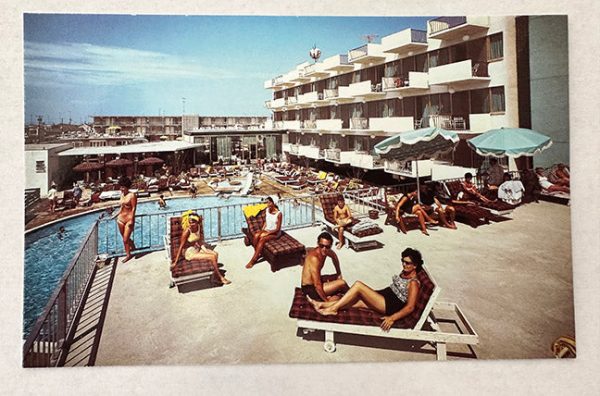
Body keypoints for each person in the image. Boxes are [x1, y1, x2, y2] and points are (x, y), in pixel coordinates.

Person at [307, 248, 423, 332]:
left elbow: (410, 307)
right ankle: (321, 304)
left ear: (415, 265)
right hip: (385, 296)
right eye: (403, 261)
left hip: (389, 305)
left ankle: (333, 309)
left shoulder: (413, 283)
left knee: (358, 285)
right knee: (354, 301)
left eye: (408, 263)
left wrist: (392, 318)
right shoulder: (405, 273)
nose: (404, 264)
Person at [172, 211, 230, 285]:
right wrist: (175, 262)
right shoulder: (187, 231)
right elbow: (181, 247)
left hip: (197, 249)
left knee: (215, 254)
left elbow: (199, 242)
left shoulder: (198, 228)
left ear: (197, 222)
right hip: (189, 253)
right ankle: (220, 277)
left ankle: (213, 277)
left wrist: (205, 250)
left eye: (193, 222)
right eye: (189, 222)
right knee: (212, 257)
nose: (190, 224)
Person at [301, 232, 348, 302]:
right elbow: (317, 285)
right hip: (310, 289)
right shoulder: (314, 259)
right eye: (321, 245)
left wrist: (339, 273)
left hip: (316, 282)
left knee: (336, 277)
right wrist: (326, 301)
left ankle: (348, 295)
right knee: (342, 283)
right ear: (318, 244)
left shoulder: (326, 251)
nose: (324, 249)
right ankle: (351, 296)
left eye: (327, 247)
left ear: (330, 246)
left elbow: (334, 256)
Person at [245, 195, 282, 269]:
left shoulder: (279, 214)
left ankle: (253, 260)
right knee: (256, 235)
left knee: (262, 239)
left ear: (273, 203)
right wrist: (262, 230)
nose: (267, 203)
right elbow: (266, 221)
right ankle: (257, 253)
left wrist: (267, 233)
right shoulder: (267, 210)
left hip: (275, 233)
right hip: (267, 230)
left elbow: (278, 229)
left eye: (269, 202)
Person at [116, 176, 137, 263]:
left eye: (123, 187)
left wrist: (132, 220)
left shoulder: (132, 196)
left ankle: (128, 255)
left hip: (128, 220)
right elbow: (121, 208)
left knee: (125, 239)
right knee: (126, 239)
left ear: (127, 187)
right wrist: (115, 216)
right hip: (120, 219)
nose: (121, 189)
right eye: (121, 187)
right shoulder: (122, 195)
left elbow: (133, 208)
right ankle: (133, 247)